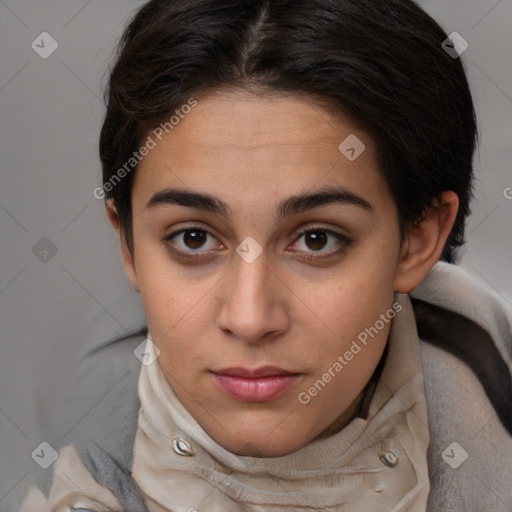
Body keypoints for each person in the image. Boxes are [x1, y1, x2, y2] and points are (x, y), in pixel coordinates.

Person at [19, 0, 512, 510]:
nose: (251, 318)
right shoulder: (85, 478)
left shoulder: (484, 351)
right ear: (127, 243)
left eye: (318, 239)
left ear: (417, 240)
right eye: (193, 238)